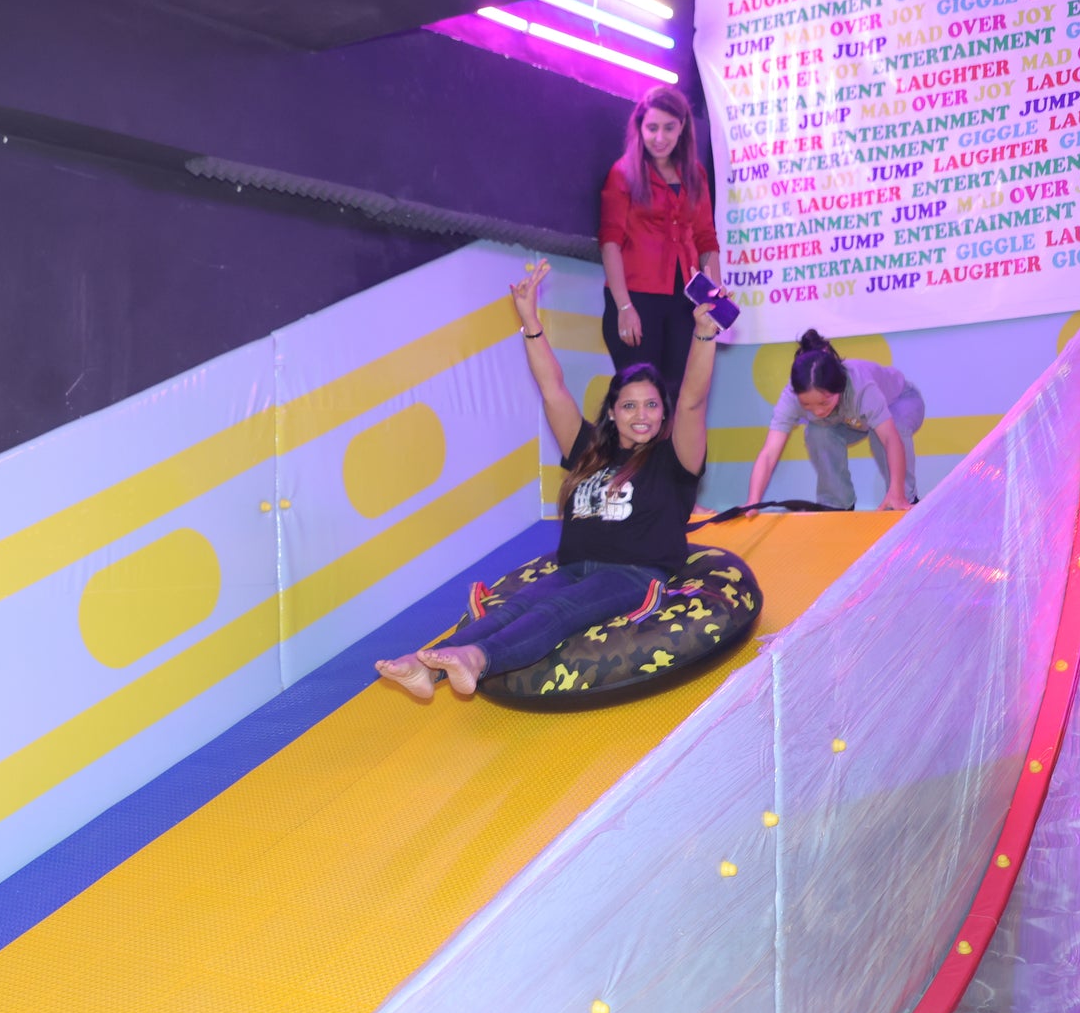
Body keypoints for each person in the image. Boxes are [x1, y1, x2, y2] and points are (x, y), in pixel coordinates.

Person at [375, 260, 724, 700]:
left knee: (560, 609)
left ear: (663, 413)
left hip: (634, 574)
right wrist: (530, 322)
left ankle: (478, 660)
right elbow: (553, 389)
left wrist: (705, 333)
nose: (642, 415)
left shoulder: (675, 460)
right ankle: (426, 666)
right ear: (613, 412)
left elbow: (693, 400)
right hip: (576, 566)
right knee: (518, 606)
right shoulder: (590, 452)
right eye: (630, 406)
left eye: (652, 406)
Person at [599, 85, 721, 404]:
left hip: (686, 301)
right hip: (636, 299)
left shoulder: (696, 174)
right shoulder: (622, 172)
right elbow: (610, 242)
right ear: (640, 128)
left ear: (683, 128)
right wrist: (623, 307)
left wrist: (715, 302)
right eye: (652, 127)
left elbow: (707, 238)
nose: (660, 137)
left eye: (669, 128)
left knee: (682, 398)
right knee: (642, 396)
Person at [744, 330, 926, 512]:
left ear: (839, 387)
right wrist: (753, 501)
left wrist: (897, 491)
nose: (818, 411)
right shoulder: (791, 396)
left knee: (887, 432)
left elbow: (890, 439)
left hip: (900, 401)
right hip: (851, 421)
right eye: (807, 405)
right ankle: (836, 505)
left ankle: (903, 499)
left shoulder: (861, 387)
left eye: (824, 402)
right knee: (817, 431)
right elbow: (769, 453)